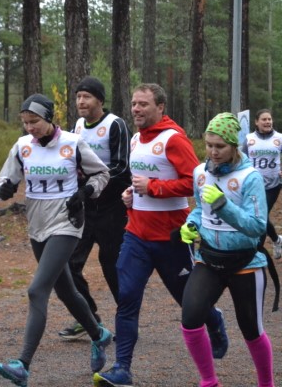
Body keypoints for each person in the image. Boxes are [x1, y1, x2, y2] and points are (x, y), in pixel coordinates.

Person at [94, 83, 227, 387]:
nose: (136, 109)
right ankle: (122, 369)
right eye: (134, 104)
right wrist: (131, 194)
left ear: (160, 107)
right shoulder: (136, 138)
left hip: (171, 237)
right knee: (127, 299)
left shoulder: (173, 139)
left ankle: (213, 319)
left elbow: (195, 183)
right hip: (136, 235)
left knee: (188, 302)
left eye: (143, 104)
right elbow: (139, 179)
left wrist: (153, 188)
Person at [0, 93, 113, 387]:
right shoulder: (22, 146)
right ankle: (98, 334)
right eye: (25, 123)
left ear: (48, 118)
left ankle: (22, 365)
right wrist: (5, 190)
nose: (30, 127)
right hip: (37, 226)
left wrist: (85, 192)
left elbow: (102, 173)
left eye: (34, 121)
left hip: (67, 222)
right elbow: (2, 183)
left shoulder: (72, 143)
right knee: (66, 291)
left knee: (37, 290)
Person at [179, 112, 273, 387]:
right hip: (209, 259)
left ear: (234, 145)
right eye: (209, 145)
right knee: (190, 320)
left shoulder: (250, 177)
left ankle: (266, 384)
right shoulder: (200, 173)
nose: (213, 152)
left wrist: (224, 206)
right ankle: (209, 382)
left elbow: (257, 226)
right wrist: (191, 225)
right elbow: (200, 210)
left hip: (245, 263)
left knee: (251, 330)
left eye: (220, 146)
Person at [58, 77, 131, 340]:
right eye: (78, 97)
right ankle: (88, 317)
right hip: (85, 207)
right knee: (68, 263)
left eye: (87, 97)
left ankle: (127, 320)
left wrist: (93, 184)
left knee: (111, 265)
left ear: (99, 100)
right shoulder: (77, 126)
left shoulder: (115, 124)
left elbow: (122, 167)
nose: (81, 102)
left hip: (111, 208)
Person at [241, 108, 282, 259]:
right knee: (259, 215)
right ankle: (277, 240)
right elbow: (242, 159)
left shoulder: (279, 138)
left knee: (261, 216)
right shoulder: (249, 139)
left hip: (273, 185)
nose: (267, 122)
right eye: (264, 119)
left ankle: (257, 252)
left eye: (269, 119)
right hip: (254, 184)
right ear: (256, 122)